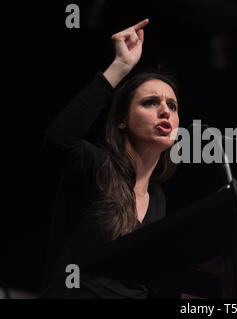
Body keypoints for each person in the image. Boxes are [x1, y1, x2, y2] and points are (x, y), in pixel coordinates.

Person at [39, 19, 181, 298]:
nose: (164, 111)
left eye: (172, 106)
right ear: (122, 121)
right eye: (150, 102)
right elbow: (58, 140)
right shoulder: (95, 165)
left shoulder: (158, 198)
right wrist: (120, 67)